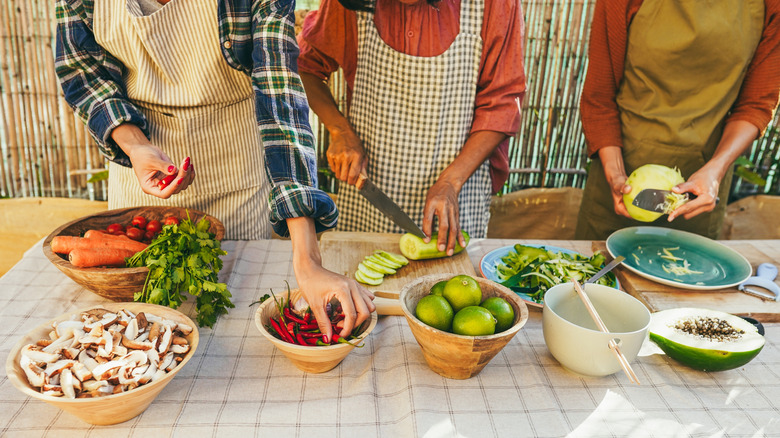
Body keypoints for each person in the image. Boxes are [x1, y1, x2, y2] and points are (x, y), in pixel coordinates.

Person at [55, 0, 374, 341]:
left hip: (235, 165)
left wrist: (308, 261)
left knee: (237, 318)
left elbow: (280, 94)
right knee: (138, 329)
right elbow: (83, 71)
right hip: (138, 165)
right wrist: (134, 145)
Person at [296, 0, 526, 254]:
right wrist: (340, 131)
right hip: (369, 193)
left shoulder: (496, 5)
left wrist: (451, 181)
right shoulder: (351, 4)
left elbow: (503, 103)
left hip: (459, 188)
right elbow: (305, 68)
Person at [576, 0, 780, 240]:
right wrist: (616, 174)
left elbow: (755, 105)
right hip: (619, 182)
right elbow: (599, 96)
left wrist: (715, 170)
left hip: (700, 194)